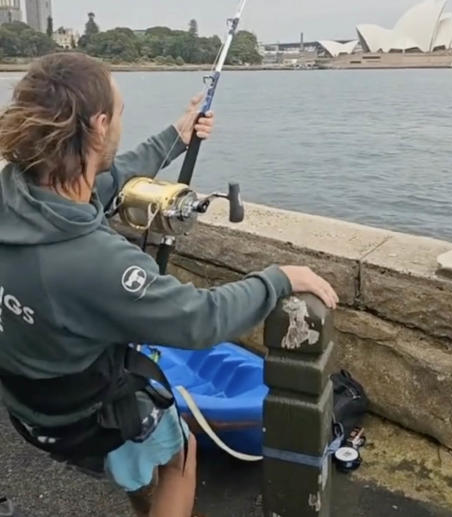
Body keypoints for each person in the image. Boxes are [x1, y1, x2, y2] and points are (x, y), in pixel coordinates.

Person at [0, 53, 339, 517]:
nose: (122, 120)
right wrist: (278, 278)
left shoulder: (16, 193)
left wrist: (177, 136)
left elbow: (107, 178)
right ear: (99, 126)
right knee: (181, 452)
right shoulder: (94, 262)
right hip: (75, 420)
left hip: (24, 399)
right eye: (119, 113)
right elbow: (200, 319)